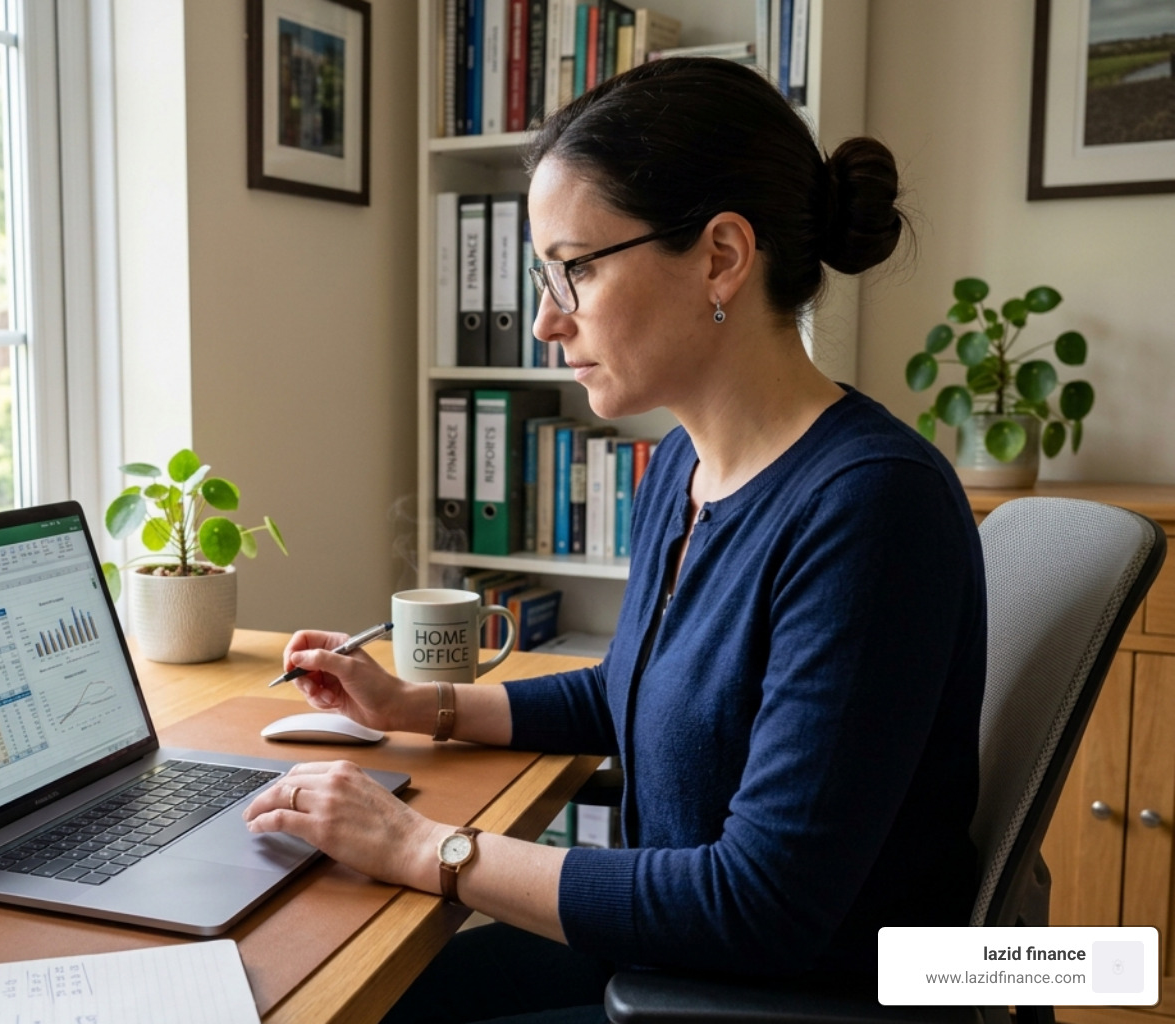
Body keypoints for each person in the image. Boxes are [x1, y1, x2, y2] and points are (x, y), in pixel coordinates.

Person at [242, 56, 986, 1024]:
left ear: (721, 256)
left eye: (576, 269)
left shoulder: (871, 510)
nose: (549, 320)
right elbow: (633, 684)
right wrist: (418, 702)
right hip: (670, 962)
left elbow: (762, 905)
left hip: (773, 993)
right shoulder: (682, 462)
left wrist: (425, 846)